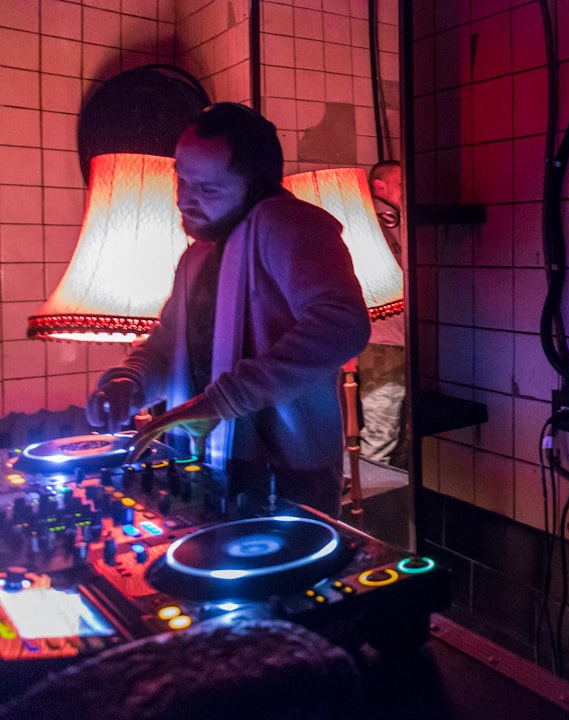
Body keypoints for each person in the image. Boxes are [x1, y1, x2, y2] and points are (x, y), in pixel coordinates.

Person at [86, 103, 370, 516]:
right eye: (181, 180)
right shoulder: (197, 256)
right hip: (206, 466)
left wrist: (223, 400)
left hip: (285, 477)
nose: (185, 200)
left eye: (208, 189)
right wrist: (128, 382)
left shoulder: (287, 224)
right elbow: (168, 347)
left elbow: (342, 327)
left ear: (257, 188)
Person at [360, 160, 407, 467]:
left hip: (383, 338)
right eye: (401, 184)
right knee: (382, 428)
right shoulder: (383, 219)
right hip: (384, 339)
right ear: (380, 186)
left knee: (384, 427)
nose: (408, 190)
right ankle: (363, 503)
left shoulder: (368, 217)